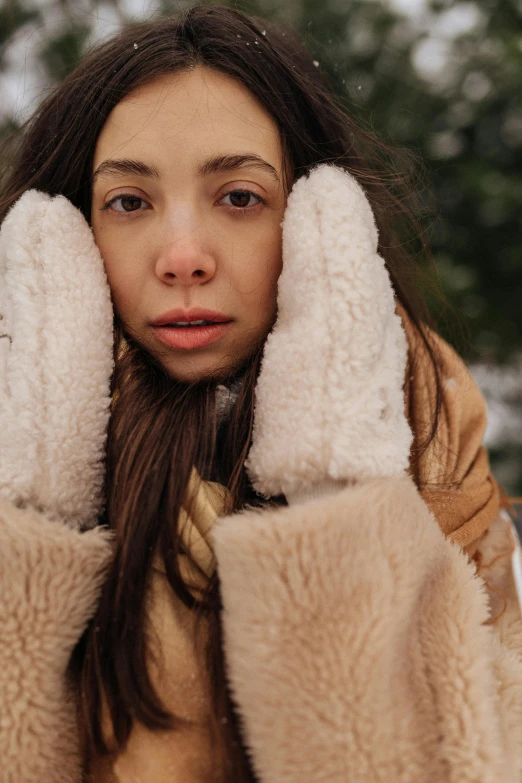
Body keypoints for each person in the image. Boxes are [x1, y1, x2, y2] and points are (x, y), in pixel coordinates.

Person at [1, 5, 522, 782]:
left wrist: (335, 487)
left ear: (318, 220)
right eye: (129, 203)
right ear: (71, 235)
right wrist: (33, 503)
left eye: (239, 197)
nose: (182, 256)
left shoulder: (425, 421)